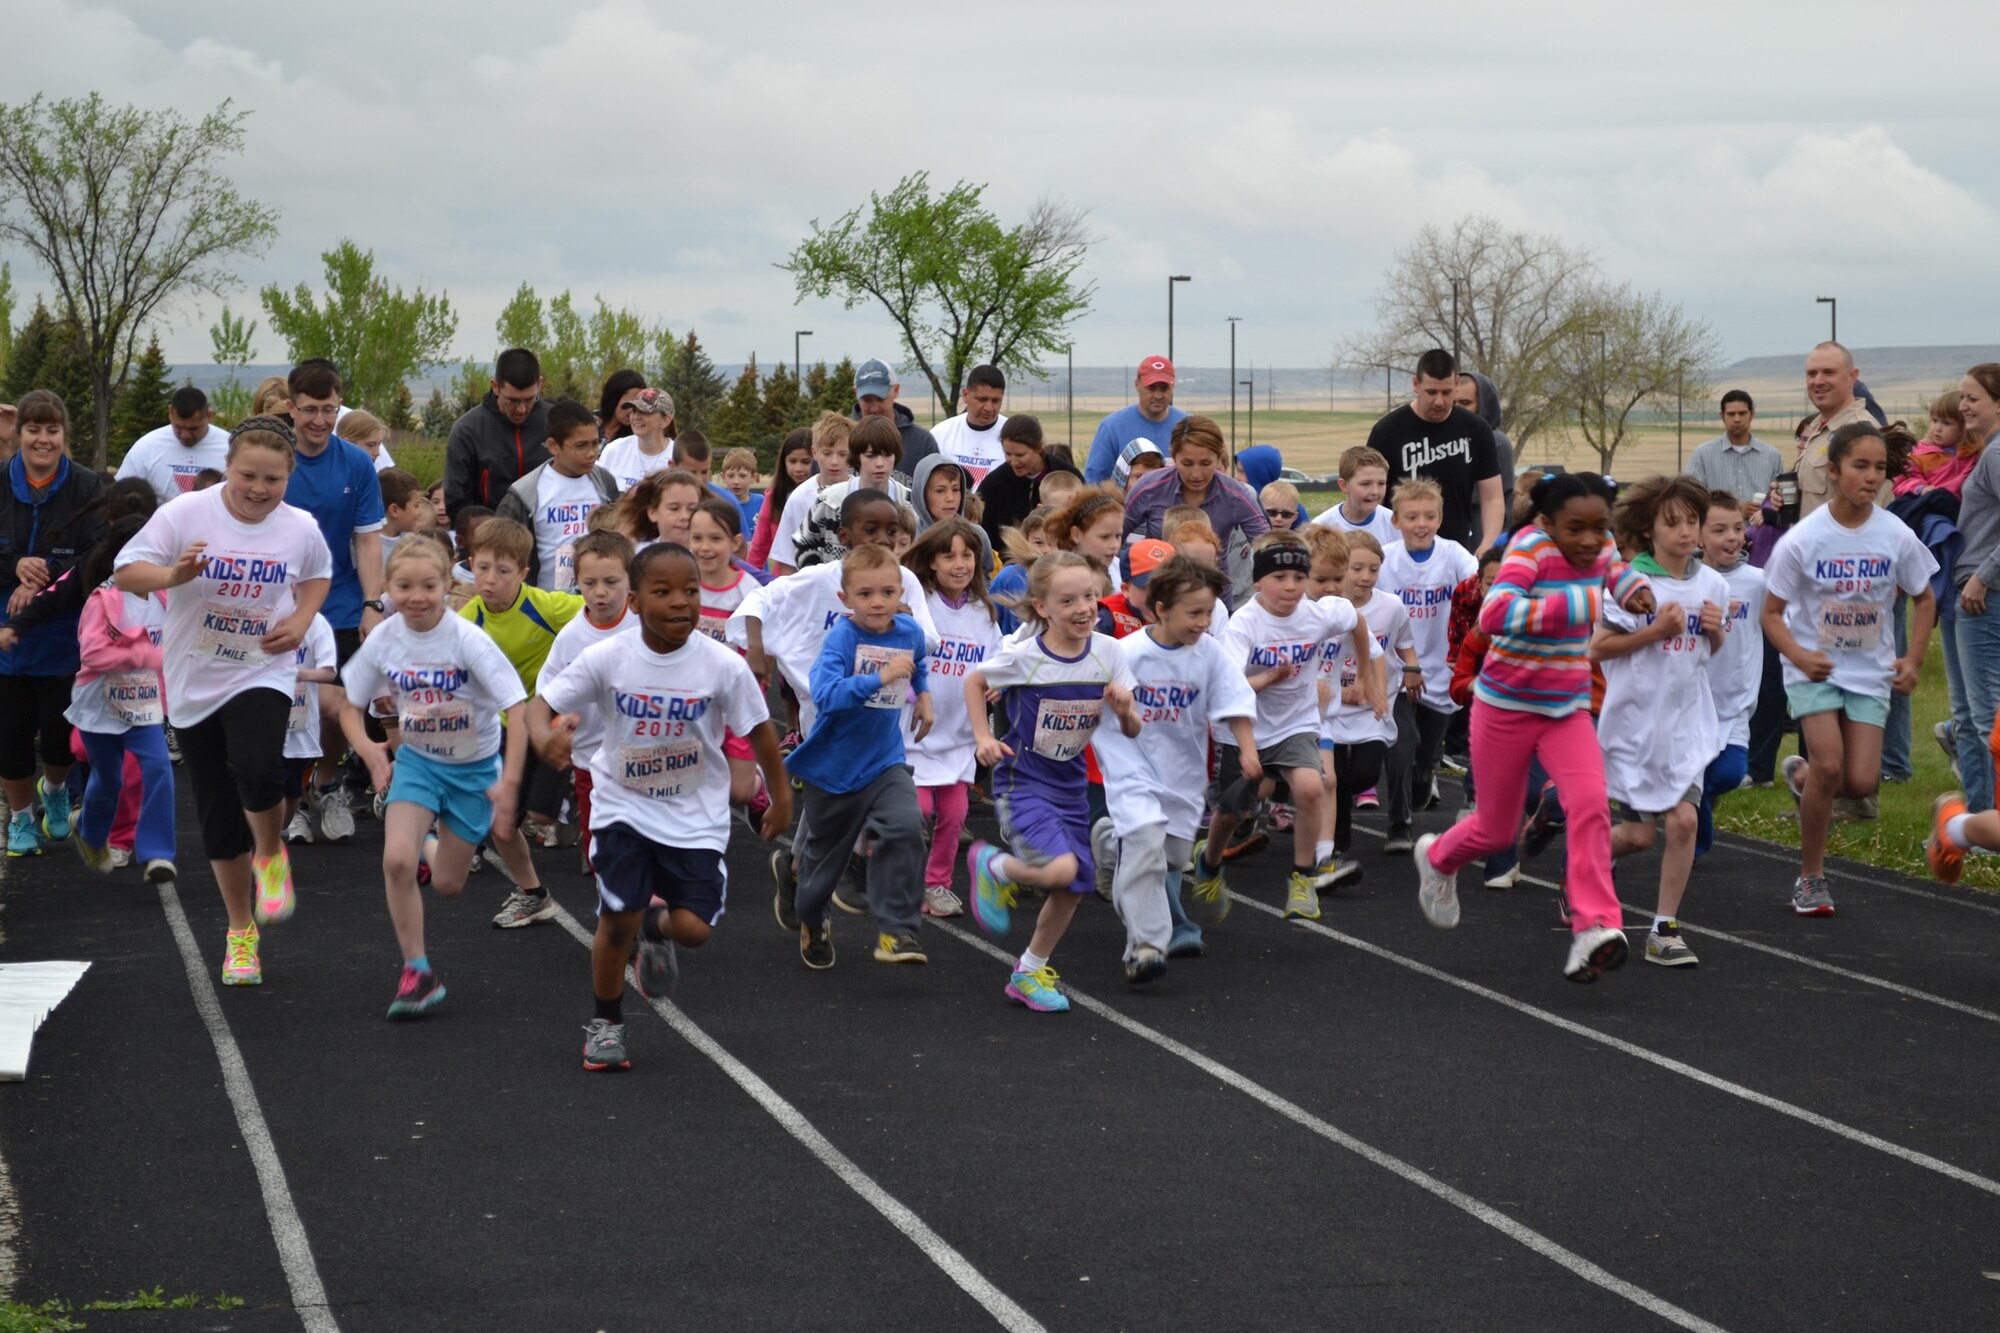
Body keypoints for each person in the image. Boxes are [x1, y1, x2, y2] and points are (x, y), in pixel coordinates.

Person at [531, 541, 789, 1072]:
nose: (680, 603)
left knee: (695, 929)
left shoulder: (722, 665)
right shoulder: (609, 656)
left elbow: (761, 731)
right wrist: (544, 737)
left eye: (690, 591)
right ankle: (606, 1022)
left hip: (695, 816)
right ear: (634, 596)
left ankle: (659, 928)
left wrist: (781, 796)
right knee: (616, 916)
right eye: (663, 591)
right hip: (621, 807)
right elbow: (544, 703)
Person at [114, 416, 333, 984]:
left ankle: (270, 853)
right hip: (194, 674)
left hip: (263, 667)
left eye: (273, 479)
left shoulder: (300, 526)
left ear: (289, 477)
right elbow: (126, 572)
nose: (259, 489)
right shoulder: (186, 513)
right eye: (247, 477)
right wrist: (172, 573)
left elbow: (317, 576)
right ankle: (241, 931)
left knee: (259, 767)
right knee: (214, 804)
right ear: (227, 468)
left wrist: (303, 618)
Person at [1411, 472, 1653, 982]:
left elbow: (1614, 568)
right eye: (1576, 529)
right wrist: (1582, 605)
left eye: (1599, 527)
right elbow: (1496, 613)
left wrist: (1635, 588)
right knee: (1495, 829)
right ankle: (1438, 857)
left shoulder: (1601, 543)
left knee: (1590, 807)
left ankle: (1594, 927)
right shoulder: (1530, 549)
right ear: (1547, 521)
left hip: (1566, 709)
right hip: (1504, 708)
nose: (1589, 540)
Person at [340, 536, 527, 1018]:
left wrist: (509, 784)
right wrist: (369, 750)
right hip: (419, 762)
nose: (416, 596)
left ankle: (433, 846)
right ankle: (416, 970)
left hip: (473, 770)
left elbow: (518, 708)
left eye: (428, 585)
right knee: (396, 863)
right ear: (388, 587)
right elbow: (349, 704)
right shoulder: (384, 637)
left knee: (448, 884)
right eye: (404, 586)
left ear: (448, 584)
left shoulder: (468, 640)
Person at [1766, 422, 1937, 918]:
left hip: (1870, 670)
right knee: (1831, 766)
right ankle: (1811, 878)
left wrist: (1914, 658)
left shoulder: (1894, 533)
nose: (1871, 477)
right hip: (1813, 668)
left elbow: (1924, 599)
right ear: (1834, 471)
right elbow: (1771, 614)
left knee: (1860, 783)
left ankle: (1802, 778)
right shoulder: (1805, 539)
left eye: (1880, 468)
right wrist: (1799, 657)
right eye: (1860, 466)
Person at [963, 552, 1142, 1012]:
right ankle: (994, 867)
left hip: (1070, 785)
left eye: (1089, 596)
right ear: (1042, 607)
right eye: (1068, 600)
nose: (1084, 607)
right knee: (1062, 870)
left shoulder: (1110, 653)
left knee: (1075, 885)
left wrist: (1124, 711)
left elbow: (1133, 729)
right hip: (1023, 782)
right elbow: (974, 680)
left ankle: (1027, 971)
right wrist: (984, 736)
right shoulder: (1025, 658)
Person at [1187, 532, 1380, 924]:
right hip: (1247, 727)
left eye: (1298, 577)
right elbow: (1230, 687)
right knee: (1234, 811)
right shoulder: (1244, 625)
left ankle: (1302, 878)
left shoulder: (1319, 613)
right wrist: (1266, 690)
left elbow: (1355, 620)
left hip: (1297, 722)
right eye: (1280, 578)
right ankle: (1209, 861)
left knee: (1312, 786)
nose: (1290, 587)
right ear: (1258, 581)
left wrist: (1366, 675)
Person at [1091, 555, 1256, 982]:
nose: (1203, 622)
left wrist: (1248, 750)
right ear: (1161, 609)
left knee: (1171, 857)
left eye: (1208, 612)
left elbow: (1235, 702)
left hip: (1181, 773)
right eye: (1194, 613)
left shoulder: (1210, 655)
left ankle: (1109, 843)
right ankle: (1145, 946)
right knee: (1145, 843)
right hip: (1131, 764)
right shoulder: (1126, 653)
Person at [1591, 475, 1729, 968]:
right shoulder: (1632, 584)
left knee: (1685, 820)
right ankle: (1583, 866)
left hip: (1687, 723)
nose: (1686, 531)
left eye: (1692, 520)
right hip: (1635, 726)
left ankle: (1664, 928)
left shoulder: (1714, 582)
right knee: (1637, 836)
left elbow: (1707, 652)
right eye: (1673, 523)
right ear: (1648, 529)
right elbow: (1599, 648)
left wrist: (1716, 633)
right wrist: (1655, 631)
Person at [784, 543, 936, 968]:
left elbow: (918, 660)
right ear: (844, 599)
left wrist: (923, 696)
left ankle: (897, 930)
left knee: (907, 825)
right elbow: (827, 696)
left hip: (885, 762)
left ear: (900, 593)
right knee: (818, 878)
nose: (878, 602)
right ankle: (811, 918)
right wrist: (878, 678)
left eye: (888, 592)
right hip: (834, 771)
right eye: (865, 594)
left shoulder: (907, 631)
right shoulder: (841, 639)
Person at [458, 515, 583, 925]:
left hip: (546, 722)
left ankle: (579, 798)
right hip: (500, 729)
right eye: (482, 567)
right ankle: (533, 893)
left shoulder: (545, 606)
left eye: (503, 570)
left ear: (525, 573)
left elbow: (601, 612)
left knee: (543, 816)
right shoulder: (467, 622)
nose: (490, 579)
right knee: (503, 820)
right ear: (471, 562)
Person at [0, 390, 106, 856]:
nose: (43, 440)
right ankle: (20, 818)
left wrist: (41, 585)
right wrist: (15, 565)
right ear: (19, 433)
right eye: (33, 429)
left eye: (52, 430)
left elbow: (97, 558)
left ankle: (57, 791)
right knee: (11, 734)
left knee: (61, 738)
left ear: (65, 434)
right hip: (7, 632)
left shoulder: (86, 487)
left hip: (65, 630)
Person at [60, 507, 176, 881]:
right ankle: (91, 833)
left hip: (143, 706)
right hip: (99, 706)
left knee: (158, 768)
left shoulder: (163, 597)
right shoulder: (104, 601)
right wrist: (140, 654)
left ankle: (157, 853)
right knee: (109, 780)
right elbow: (92, 653)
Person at [900, 517, 999, 920]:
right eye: (949, 555)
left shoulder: (983, 612)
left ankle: (937, 883)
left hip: (959, 736)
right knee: (916, 811)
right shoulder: (921, 604)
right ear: (931, 562)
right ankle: (898, 874)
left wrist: (998, 683)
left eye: (967, 554)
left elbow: (995, 660)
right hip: (915, 736)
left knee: (955, 815)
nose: (959, 564)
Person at [1376, 477, 1479, 851]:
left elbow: (1480, 585)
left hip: (1441, 668)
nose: (1420, 524)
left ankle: (1425, 775)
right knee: (1402, 743)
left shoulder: (1454, 555)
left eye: (1429, 516)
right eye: (1412, 516)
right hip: (1398, 668)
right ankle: (1399, 824)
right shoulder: (1386, 560)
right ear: (1396, 521)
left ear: (1440, 518)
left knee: (1425, 753)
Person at [534, 529, 635, 878]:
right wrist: (556, 726)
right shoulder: (571, 637)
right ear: (576, 581)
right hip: (589, 758)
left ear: (630, 580)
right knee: (599, 851)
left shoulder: (644, 624)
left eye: (611, 581)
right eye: (589, 583)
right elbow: (546, 692)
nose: (600, 592)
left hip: (640, 754)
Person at [1319, 530, 1414, 875]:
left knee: (1362, 774)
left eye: (1373, 570)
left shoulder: (1390, 606)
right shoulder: (1323, 608)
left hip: (1373, 707)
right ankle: (1336, 840)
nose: (1365, 577)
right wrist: (1340, 692)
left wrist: (1386, 679)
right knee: (1335, 778)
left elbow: (1397, 644)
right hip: (1330, 709)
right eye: (1357, 568)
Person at [1365, 348, 1502, 553]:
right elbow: (1374, 500)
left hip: (1457, 552)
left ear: (1456, 384)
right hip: (1400, 553)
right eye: (1431, 392)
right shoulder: (1387, 432)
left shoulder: (1477, 430)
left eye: (1446, 392)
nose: (1439, 401)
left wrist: (1488, 544)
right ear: (1416, 385)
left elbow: (1492, 497)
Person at [1121, 416, 1270, 589]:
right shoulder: (1149, 487)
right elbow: (1115, 535)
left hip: (1213, 600)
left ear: (1218, 456)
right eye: (1187, 463)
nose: (1196, 474)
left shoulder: (1236, 495)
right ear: (1174, 456)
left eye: (1206, 463)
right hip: (1158, 595)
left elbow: (1267, 546)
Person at [1695, 490, 1764, 858]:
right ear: (1699, 536)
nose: (1732, 537)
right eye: (1720, 530)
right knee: (1698, 780)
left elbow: (1781, 620)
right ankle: (1694, 842)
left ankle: (1695, 816)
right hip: (1694, 703)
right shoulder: (1692, 581)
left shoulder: (1757, 581)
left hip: (1736, 702)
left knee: (1727, 775)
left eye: (1738, 528)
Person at [1944, 366, 2000, 812]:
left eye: (1973, 398)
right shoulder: (1988, 451)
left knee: (1986, 718)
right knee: (1968, 716)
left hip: (1984, 597)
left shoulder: (1998, 454)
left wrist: (1983, 575)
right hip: (1974, 592)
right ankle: (1981, 818)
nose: (1963, 406)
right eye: (1962, 397)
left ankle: (1992, 820)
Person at [493, 398, 619, 592]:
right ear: (553, 446)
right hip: (546, 606)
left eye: (596, 443)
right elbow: (503, 556)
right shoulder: (526, 494)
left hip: (598, 600)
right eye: (581, 446)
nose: (591, 453)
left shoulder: (604, 483)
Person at [792, 416, 911, 569]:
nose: (880, 463)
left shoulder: (910, 501)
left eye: (887, 455)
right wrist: (825, 579)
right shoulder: (830, 500)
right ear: (856, 456)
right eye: (870, 455)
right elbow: (804, 544)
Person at [443, 347, 551, 515]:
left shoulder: (556, 423)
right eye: (512, 401)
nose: (521, 409)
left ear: (540, 384)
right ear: (495, 386)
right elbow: (457, 501)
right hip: (491, 534)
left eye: (529, 399)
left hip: (548, 532)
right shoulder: (467, 431)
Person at [1793, 343, 1882, 518]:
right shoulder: (1817, 427)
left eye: (1829, 372)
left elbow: (1870, 515)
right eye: (1812, 373)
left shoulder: (1862, 434)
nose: (1818, 381)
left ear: (1852, 377)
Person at [975, 415, 1079, 553]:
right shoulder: (994, 485)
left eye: (1020, 455)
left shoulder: (1068, 475)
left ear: (1039, 447)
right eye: (1008, 454)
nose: (1013, 461)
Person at [769, 414, 855, 575]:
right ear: (814, 452)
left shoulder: (860, 494)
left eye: (842, 454)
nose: (834, 461)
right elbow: (787, 560)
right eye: (827, 453)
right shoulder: (799, 498)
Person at [281, 611, 340, 845]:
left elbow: (329, 671)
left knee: (291, 793)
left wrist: (298, 674)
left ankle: (276, 833)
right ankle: (266, 846)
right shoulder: (258, 612)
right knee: (261, 788)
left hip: (298, 728)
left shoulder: (315, 622)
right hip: (262, 723)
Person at [116, 386, 232, 503]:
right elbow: (120, 491)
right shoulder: (147, 446)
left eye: (193, 429)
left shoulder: (230, 447)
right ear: (170, 413)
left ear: (209, 416)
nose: (185, 435)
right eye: (178, 427)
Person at [1085, 355, 1188, 486]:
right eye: (1151, 388)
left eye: (1164, 388)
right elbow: (1094, 482)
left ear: (1173, 387)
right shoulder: (1112, 427)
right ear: (1137, 385)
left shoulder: (1188, 426)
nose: (1158, 395)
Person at [1686, 391, 1783, 511]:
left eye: (1742, 413)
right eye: (1731, 414)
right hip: (1718, 528)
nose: (1737, 419)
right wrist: (1736, 510)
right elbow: (1690, 499)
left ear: (1752, 414)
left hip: (1761, 529)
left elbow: (1780, 500)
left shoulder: (1772, 456)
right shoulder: (1702, 455)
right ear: (1722, 416)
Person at [851, 358, 940, 479]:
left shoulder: (922, 442)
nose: (874, 408)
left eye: (880, 399)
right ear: (855, 393)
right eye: (867, 400)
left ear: (896, 390)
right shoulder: (841, 439)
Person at [1454, 371, 1516, 526]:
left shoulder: (1496, 443)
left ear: (1482, 405)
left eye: (1466, 403)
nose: (1458, 409)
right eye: (1453, 403)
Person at [929, 365, 1007, 484]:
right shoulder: (940, 434)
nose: (989, 408)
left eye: (996, 401)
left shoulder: (1014, 435)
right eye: (982, 399)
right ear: (965, 395)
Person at [748, 430, 814, 570]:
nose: (798, 468)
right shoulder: (774, 498)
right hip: (784, 578)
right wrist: (749, 581)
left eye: (806, 462)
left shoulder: (827, 496)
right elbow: (759, 547)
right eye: (792, 461)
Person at [1896, 389, 1980, 500]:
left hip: (1960, 510)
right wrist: (1921, 488)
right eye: (1934, 421)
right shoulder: (1921, 454)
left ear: (1964, 427)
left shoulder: (1973, 454)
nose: (1937, 428)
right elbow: (1903, 481)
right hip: (1931, 507)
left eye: (1946, 423)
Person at [1311, 446, 1399, 546]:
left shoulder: (1395, 524)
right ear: (1344, 485)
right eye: (1365, 484)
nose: (1375, 491)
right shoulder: (1321, 528)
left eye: (1381, 483)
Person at [598, 387, 675, 491]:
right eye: (634, 411)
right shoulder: (613, 451)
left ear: (666, 420)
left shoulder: (677, 455)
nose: (636, 417)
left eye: (645, 411)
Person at [595, 369, 647, 443]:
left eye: (638, 405)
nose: (633, 411)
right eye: (629, 404)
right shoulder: (589, 422)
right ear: (614, 398)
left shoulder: (636, 437)